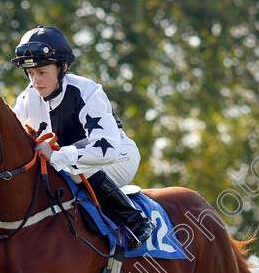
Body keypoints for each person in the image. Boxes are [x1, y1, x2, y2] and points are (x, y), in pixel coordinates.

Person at [11, 25, 154, 250]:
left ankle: (135, 219)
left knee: (75, 168)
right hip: (72, 162)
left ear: (63, 67)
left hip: (117, 157)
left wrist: (58, 155)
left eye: (42, 72)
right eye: (30, 73)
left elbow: (105, 149)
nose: (35, 81)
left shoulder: (86, 91)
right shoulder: (26, 99)